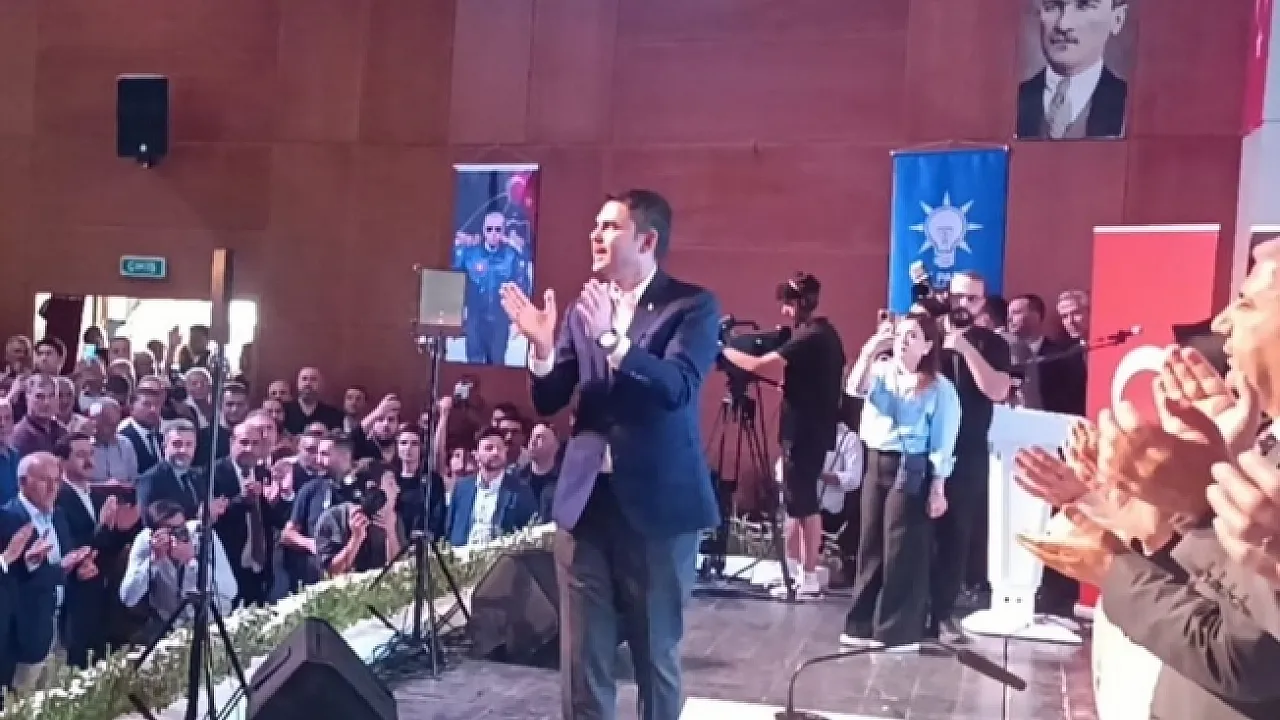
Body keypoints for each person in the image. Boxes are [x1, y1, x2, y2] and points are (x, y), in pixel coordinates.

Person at [499, 189, 719, 720]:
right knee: (583, 659)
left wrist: (614, 342)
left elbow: (677, 387)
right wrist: (542, 349)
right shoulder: (585, 308)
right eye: (595, 226)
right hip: (587, 505)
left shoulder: (691, 306)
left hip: (658, 508)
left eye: (609, 227)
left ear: (647, 240)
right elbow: (551, 398)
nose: (595, 235)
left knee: (654, 655)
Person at [720, 272, 846, 598]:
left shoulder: (813, 336)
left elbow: (759, 364)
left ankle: (808, 576)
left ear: (802, 303)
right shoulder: (821, 334)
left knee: (805, 504)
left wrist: (723, 350)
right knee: (793, 502)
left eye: (788, 304)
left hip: (807, 432)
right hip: (803, 430)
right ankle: (793, 572)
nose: (785, 312)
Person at [841, 313, 960, 648]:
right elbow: (854, 388)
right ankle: (861, 623)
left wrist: (938, 487)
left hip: (911, 465)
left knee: (902, 546)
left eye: (913, 336)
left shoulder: (939, 388)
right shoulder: (881, 372)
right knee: (871, 542)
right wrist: (872, 347)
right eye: (901, 334)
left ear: (927, 346)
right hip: (876, 460)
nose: (904, 341)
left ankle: (898, 631)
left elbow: (943, 440)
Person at [1016, 0, 1130, 139]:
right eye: (1052, 6)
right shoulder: (1013, 101)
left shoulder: (1130, 105)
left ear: (1117, 19)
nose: (1063, 25)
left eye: (1084, 6)